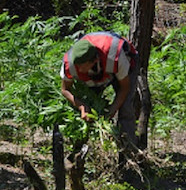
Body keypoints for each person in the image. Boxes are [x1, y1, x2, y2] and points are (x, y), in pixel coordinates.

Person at [60, 31, 140, 162]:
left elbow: (124, 88)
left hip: (125, 65)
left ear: (94, 61)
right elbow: (65, 90)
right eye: (77, 66)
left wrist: (112, 110)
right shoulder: (71, 63)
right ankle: (77, 155)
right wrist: (82, 106)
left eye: (82, 67)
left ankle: (129, 156)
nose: (78, 69)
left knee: (125, 109)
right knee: (89, 110)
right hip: (100, 71)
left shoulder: (115, 57)